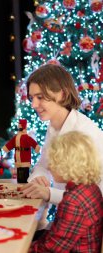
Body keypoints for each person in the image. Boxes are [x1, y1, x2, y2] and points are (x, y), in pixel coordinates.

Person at [22, 64, 103, 204]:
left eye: (40, 97)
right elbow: (42, 165)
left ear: (63, 94)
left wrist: (49, 193)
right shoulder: (54, 126)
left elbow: (95, 198)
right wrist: (38, 177)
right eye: (32, 98)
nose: (33, 105)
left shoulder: (84, 134)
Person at [30, 131, 103, 252]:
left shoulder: (73, 201)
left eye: (53, 162)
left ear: (67, 164)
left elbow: (52, 249)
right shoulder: (90, 187)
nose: (49, 167)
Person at [2, 119, 40, 183]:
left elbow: (33, 143)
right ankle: (21, 182)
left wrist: (37, 148)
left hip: (25, 158)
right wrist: (5, 149)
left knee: (24, 173)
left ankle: (24, 182)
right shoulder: (17, 137)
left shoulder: (26, 137)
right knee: (20, 172)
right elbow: (10, 144)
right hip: (18, 159)